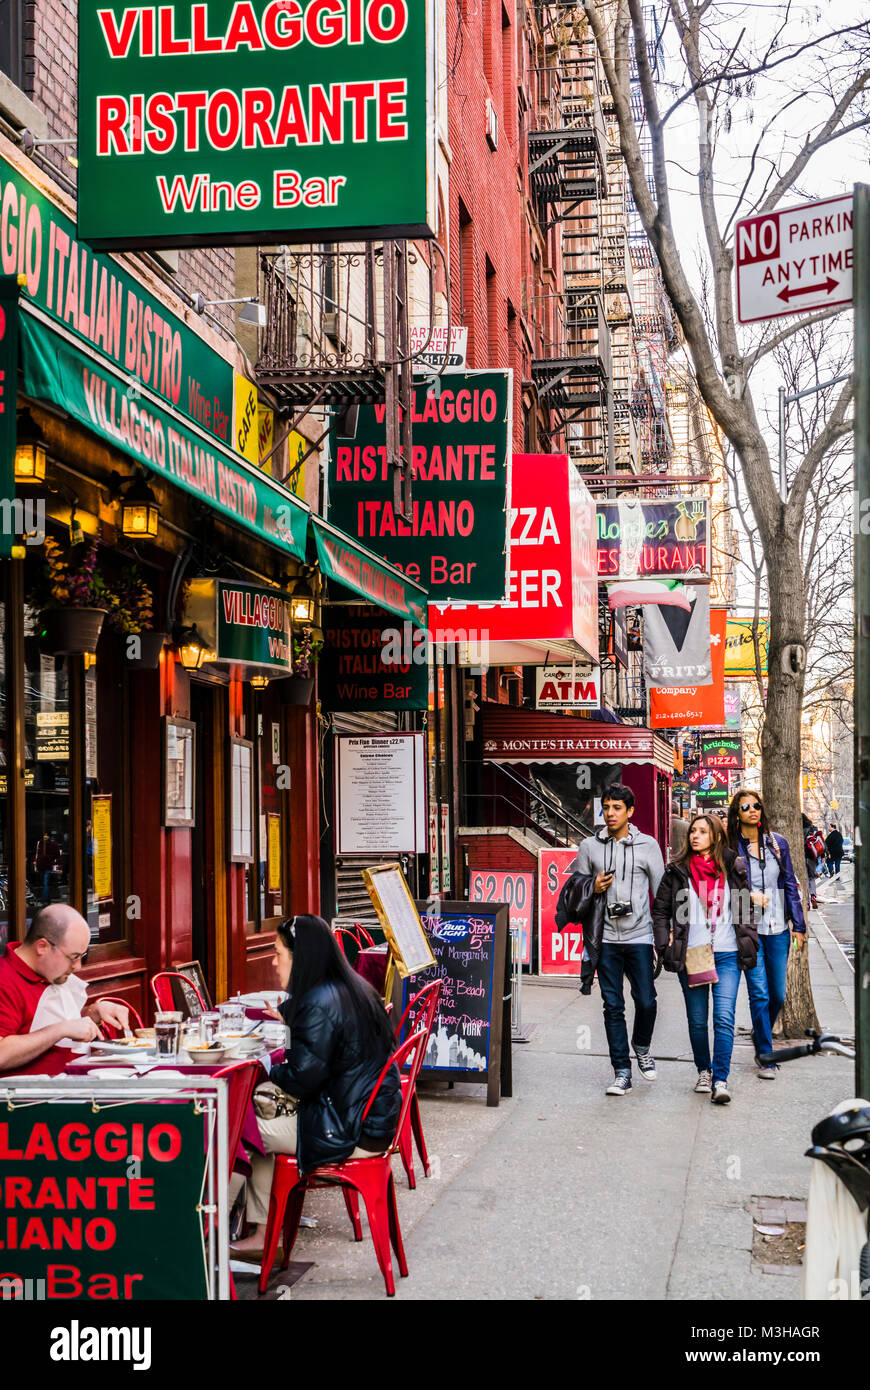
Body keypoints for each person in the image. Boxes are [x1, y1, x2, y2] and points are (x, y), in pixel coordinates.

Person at [230, 914, 402, 1256]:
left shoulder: (318, 1003)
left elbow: (302, 1078)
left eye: (279, 953)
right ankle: (262, 1233)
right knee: (255, 1118)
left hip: (347, 1129)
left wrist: (266, 1071)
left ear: (302, 958)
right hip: (366, 1118)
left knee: (239, 1131)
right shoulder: (350, 988)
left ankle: (203, 1230)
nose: (274, 961)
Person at [653, 813, 758, 1104]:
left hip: (726, 953)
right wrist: (664, 945)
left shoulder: (734, 867)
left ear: (716, 835)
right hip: (694, 954)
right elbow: (660, 911)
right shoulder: (677, 871)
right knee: (698, 1021)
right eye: (692, 832)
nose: (694, 836)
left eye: (701, 831)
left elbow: (746, 908)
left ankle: (721, 1080)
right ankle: (704, 1070)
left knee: (723, 1018)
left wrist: (751, 937)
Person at [574, 784, 665, 1096]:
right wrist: (593, 887)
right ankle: (622, 1071)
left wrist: (662, 936)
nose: (610, 814)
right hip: (606, 939)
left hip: (639, 935)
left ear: (630, 811)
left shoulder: (648, 846)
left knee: (646, 1001)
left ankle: (641, 1046)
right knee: (612, 1005)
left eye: (616, 808)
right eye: (606, 808)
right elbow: (575, 890)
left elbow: (662, 893)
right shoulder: (589, 847)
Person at [728, 790, 807, 1079]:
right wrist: (749, 897)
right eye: (745, 806)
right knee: (759, 994)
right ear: (737, 813)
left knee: (778, 994)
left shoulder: (777, 843)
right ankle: (766, 1054)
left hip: (778, 929)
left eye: (757, 806)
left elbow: (789, 884)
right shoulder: (730, 847)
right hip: (749, 930)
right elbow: (725, 891)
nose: (752, 810)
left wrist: (799, 925)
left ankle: (760, 1034)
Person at [0, 904, 129, 1076]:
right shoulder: (5, 980)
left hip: (69, 1082)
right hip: (26, 1098)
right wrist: (59, 1030)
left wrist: (92, 1013)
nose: (78, 967)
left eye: (82, 957)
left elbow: (50, 1020)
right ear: (42, 947)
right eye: (73, 957)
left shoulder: (48, 972)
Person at [33, 833, 62, 905]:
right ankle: (47, 899)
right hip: (45, 865)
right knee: (45, 883)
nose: (45, 837)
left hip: (44, 865)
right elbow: (57, 856)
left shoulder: (41, 843)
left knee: (45, 883)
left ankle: (44, 899)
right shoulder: (42, 843)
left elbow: (57, 856)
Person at [802, 812, 822, 906]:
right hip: (812, 856)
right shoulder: (813, 829)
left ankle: (806, 902)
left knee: (804, 878)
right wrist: (822, 856)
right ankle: (813, 895)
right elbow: (820, 842)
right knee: (812, 877)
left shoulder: (799, 830)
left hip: (802, 856)